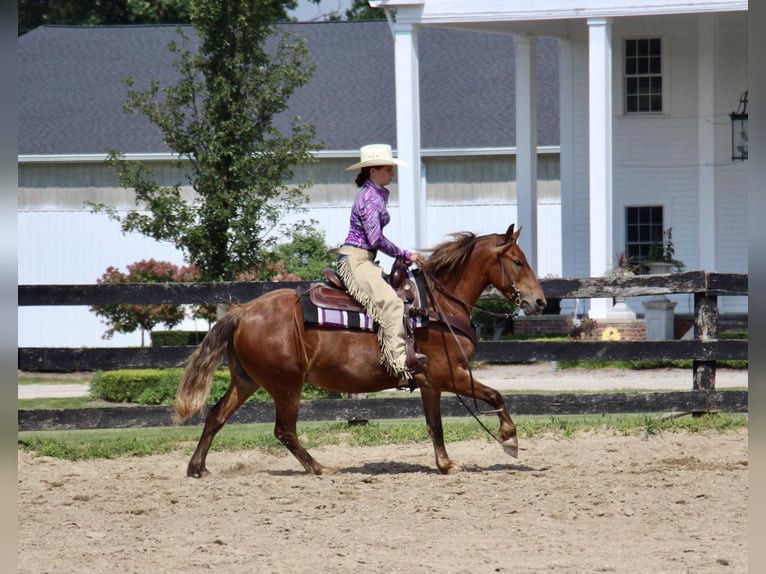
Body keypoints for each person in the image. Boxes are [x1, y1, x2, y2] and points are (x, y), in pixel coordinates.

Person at [336, 144, 427, 388]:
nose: (392, 174)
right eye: (388, 169)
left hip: (364, 259)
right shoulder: (370, 199)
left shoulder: (374, 195)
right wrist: (405, 253)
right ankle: (400, 366)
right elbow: (375, 239)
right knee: (392, 304)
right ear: (372, 171)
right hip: (356, 260)